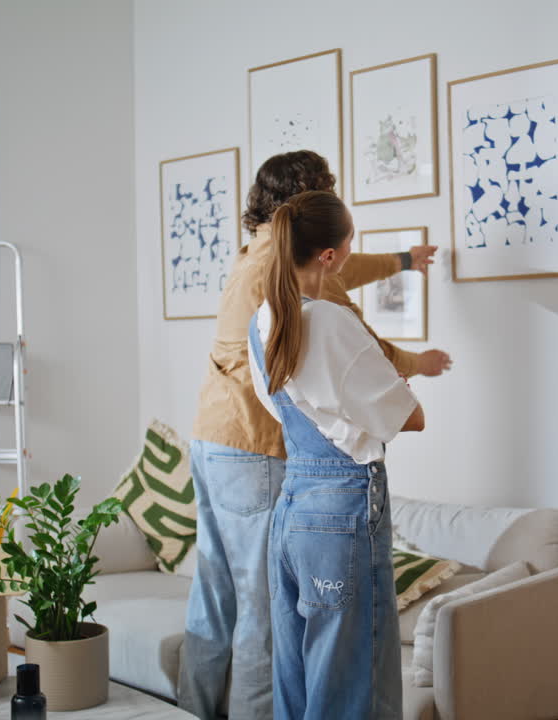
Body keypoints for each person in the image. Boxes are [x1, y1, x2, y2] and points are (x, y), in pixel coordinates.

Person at [178, 150, 448, 720]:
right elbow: (361, 348)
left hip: (212, 438)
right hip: (255, 450)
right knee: (262, 618)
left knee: (216, 597)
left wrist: (403, 260)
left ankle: (190, 711)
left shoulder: (261, 260)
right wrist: (416, 364)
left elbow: (343, 269)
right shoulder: (305, 301)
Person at [250, 190, 420, 719]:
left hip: (292, 510)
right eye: (349, 242)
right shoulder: (329, 320)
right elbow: (410, 416)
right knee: (352, 688)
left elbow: (287, 410)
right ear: (329, 255)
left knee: (297, 682)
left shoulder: (262, 321)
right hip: (341, 514)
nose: (350, 250)